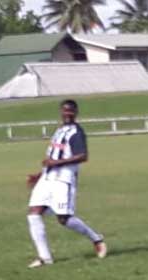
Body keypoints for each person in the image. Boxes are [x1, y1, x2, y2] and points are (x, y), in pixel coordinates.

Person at [26, 99, 107, 268]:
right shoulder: (59, 130)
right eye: (65, 110)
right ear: (61, 112)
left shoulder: (76, 132)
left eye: (71, 111)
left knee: (64, 219)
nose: (67, 113)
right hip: (47, 179)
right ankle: (45, 257)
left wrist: (56, 164)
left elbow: (83, 156)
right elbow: (53, 157)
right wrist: (39, 174)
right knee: (33, 213)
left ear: (76, 113)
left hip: (63, 180)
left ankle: (96, 238)